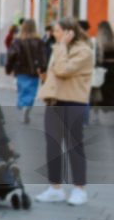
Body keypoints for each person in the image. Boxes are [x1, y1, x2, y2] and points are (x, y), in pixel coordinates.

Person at [35, 17, 94, 206]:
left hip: (73, 101)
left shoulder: (84, 51)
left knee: (74, 145)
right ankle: (55, 188)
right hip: (54, 101)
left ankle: (79, 189)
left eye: (58, 30)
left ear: (69, 32)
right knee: (52, 145)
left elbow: (62, 70)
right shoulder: (58, 48)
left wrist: (60, 47)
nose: (54, 34)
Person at [5, 18, 48, 124]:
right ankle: (28, 105)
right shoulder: (39, 41)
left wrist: (8, 68)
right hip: (34, 70)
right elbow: (43, 56)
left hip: (20, 69)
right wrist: (43, 68)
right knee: (32, 90)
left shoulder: (17, 41)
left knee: (22, 89)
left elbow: (11, 56)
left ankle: (22, 104)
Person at [97, 21, 114, 125]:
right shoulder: (112, 41)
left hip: (104, 72)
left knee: (105, 93)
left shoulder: (100, 44)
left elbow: (99, 60)